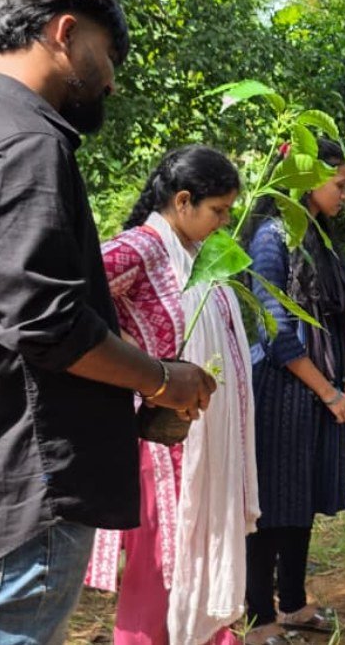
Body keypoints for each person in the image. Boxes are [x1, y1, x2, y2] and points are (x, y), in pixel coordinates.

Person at [0, 0, 216, 642]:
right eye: (109, 55)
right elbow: (47, 322)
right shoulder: (25, 142)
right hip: (23, 470)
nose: (112, 82)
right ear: (65, 33)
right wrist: (162, 378)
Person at [83, 146, 259, 644]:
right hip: (160, 445)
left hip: (199, 441)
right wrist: (137, 372)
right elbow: (71, 308)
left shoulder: (196, 257)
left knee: (194, 558)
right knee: (161, 565)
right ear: (183, 201)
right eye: (217, 211)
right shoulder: (140, 249)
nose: (224, 223)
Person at [241, 138, 345, 644]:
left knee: (303, 499)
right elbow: (274, 331)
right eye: (340, 184)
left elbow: (340, 319)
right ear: (307, 179)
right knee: (271, 507)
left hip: (321, 390)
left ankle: (291, 603)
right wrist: (328, 392)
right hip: (281, 391)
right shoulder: (272, 239)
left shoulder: (320, 237)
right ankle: (258, 615)